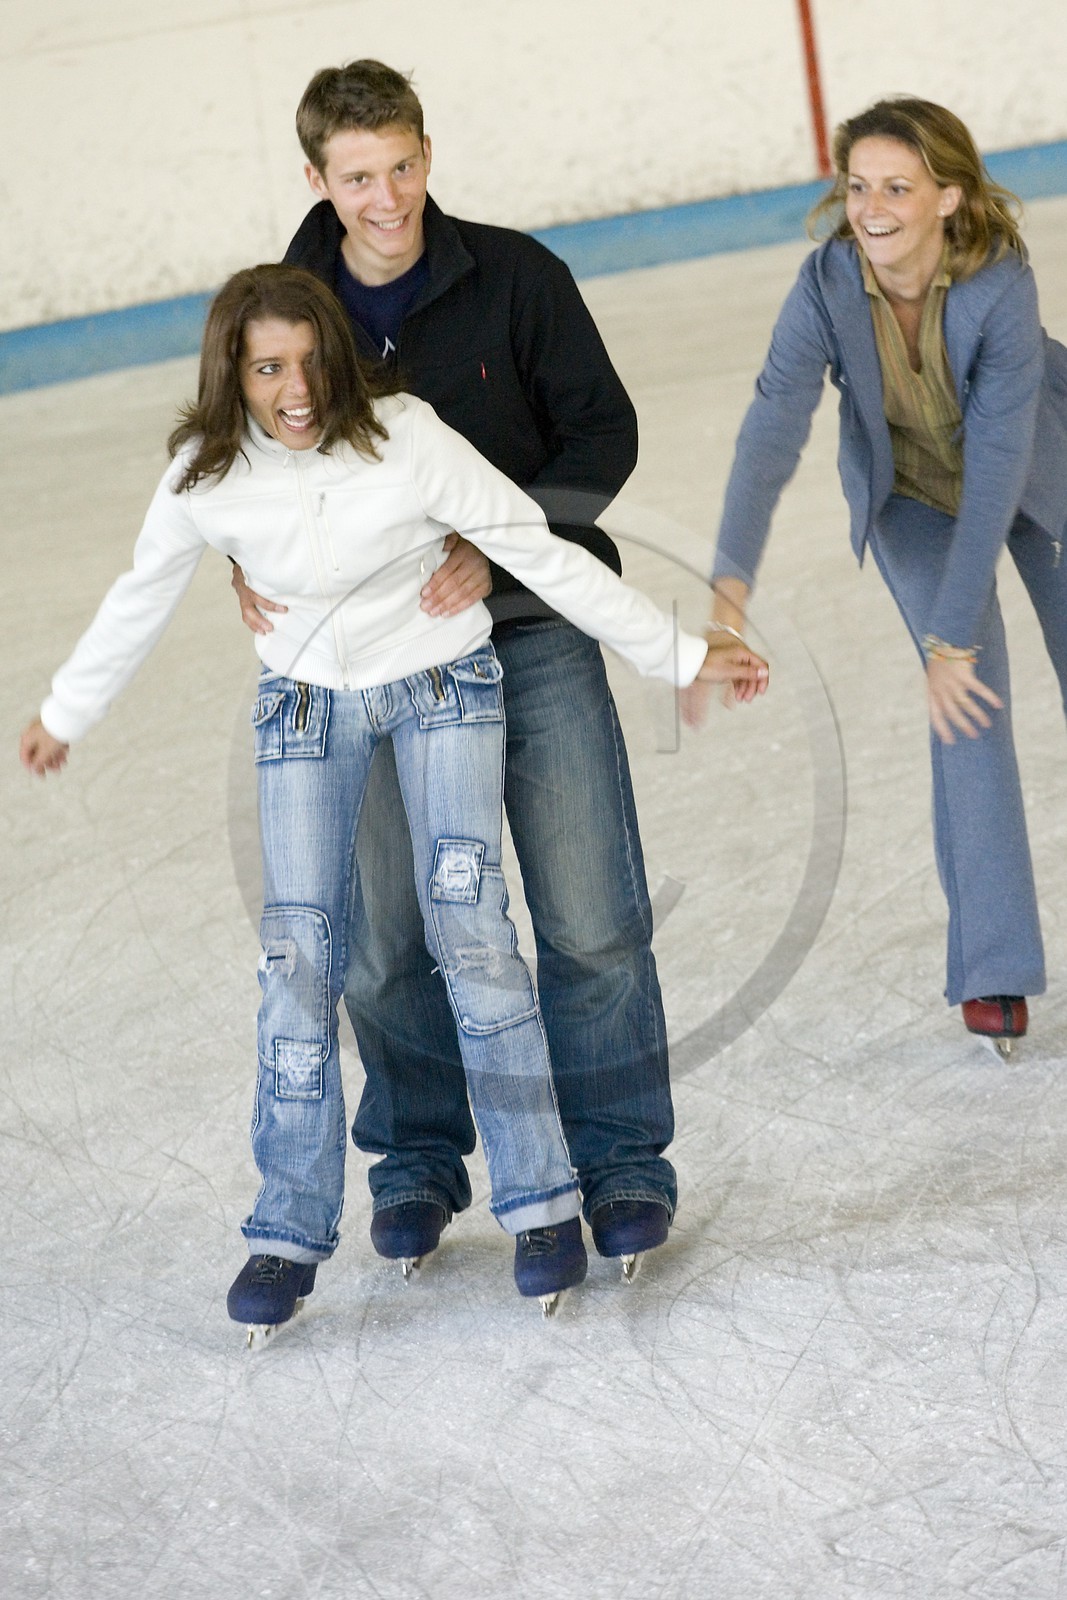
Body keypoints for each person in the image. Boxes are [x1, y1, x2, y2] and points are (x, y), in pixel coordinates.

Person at [20, 265, 767, 1335]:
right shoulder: (203, 473)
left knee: (470, 928)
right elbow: (137, 594)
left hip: (440, 690)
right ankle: (285, 1226)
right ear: (231, 373)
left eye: (311, 359)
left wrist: (679, 652)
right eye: (267, 366)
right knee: (298, 957)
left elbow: (531, 547)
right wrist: (66, 710)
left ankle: (543, 1201)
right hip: (307, 710)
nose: (294, 387)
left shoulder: (404, 433)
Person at [231, 60, 690, 1273]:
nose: (385, 198)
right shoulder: (283, 315)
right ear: (317, 179)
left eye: (402, 167)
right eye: (356, 176)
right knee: (387, 935)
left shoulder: (519, 278)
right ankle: (419, 1158)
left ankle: (620, 1159)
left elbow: (605, 434)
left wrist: (501, 554)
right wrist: (241, 558)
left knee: (588, 914)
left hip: (527, 631)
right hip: (367, 663)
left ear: (428, 155)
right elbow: (236, 457)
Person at [694, 96, 1067, 1054]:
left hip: (1039, 471)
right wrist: (726, 593)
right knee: (967, 706)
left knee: (973, 656)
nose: (871, 206)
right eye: (858, 186)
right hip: (908, 498)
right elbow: (772, 424)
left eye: (896, 187)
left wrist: (951, 633)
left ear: (947, 195)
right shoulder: (826, 283)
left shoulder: (998, 284)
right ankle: (994, 969)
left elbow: (995, 464)